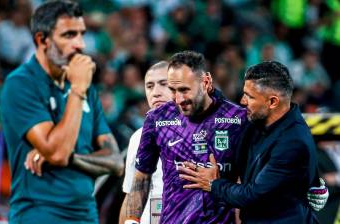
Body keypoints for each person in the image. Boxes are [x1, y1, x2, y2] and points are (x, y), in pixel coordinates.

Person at [0, 1, 123, 223]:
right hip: (38, 215)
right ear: (42, 40)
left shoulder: (86, 89)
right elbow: (57, 153)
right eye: (69, 35)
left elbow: (115, 162)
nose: (80, 44)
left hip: (86, 216)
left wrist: (74, 158)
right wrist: (77, 89)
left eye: (81, 34)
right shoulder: (21, 84)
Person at [179, 61, 321, 223]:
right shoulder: (262, 118)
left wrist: (213, 183)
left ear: (273, 102)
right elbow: (233, 112)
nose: (242, 101)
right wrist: (208, 92)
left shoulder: (293, 142)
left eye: (250, 96)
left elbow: (252, 196)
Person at [124, 50, 248, 224]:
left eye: (184, 90)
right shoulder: (157, 119)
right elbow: (141, 178)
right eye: (172, 90)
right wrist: (131, 221)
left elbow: (248, 184)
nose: (178, 99)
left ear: (205, 83)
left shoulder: (237, 119)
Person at [119, 61, 172, 224]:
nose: (155, 92)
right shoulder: (137, 137)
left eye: (164, 84)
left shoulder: (202, 131)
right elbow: (130, 195)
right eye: (149, 86)